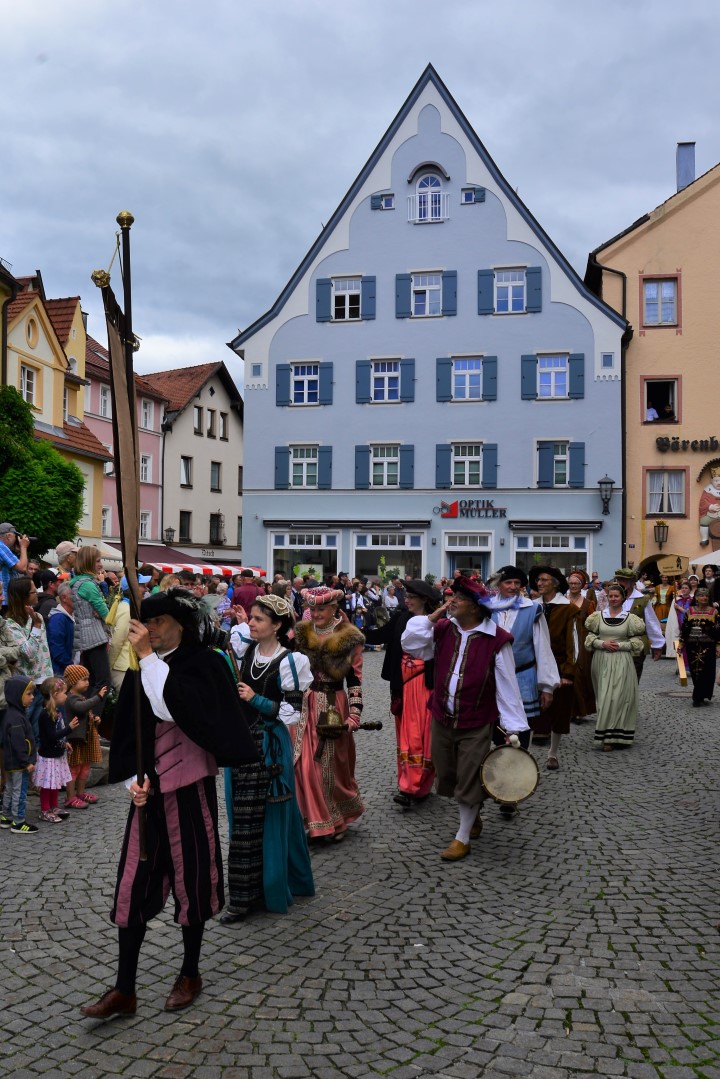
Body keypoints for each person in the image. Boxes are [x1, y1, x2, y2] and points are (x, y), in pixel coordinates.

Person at [80, 588, 257, 1021]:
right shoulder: (143, 668)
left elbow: (174, 709)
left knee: (193, 881)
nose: (151, 630)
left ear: (181, 625)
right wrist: (134, 779)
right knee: (133, 885)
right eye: (147, 622)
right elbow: (133, 730)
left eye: (158, 622)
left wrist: (147, 658)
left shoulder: (204, 664)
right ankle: (124, 988)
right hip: (149, 795)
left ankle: (190, 973)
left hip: (190, 789)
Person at [401, 576, 529, 861]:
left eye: (459, 598)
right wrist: (431, 617)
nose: (452, 601)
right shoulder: (443, 628)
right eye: (452, 596)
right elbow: (410, 644)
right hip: (441, 717)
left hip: (476, 721)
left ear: (474, 607)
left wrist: (513, 728)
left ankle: (462, 838)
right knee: (448, 775)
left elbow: (507, 685)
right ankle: (473, 814)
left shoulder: (497, 639)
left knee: (469, 777)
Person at [223, 594, 314, 924]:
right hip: (241, 743)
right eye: (251, 617)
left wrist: (255, 699)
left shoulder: (291, 661)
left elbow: (291, 713)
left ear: (276, 626)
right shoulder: (245, 650)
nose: (251, 623)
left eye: (258, 619)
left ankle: (254, 893)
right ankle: (250, 888)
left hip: (269, 747)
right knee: (241, 818)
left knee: (269, 818)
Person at [292, 586, 365, 842]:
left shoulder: (349, 637)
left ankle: (337, 820)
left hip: (333, 705)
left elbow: (354, 680)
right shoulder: (302, 633)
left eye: (321, 609)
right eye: (312, 609)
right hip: (304, 704)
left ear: (334, 608)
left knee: (329, 765)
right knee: (302, 763)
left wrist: (354, 713)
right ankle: (316, 821)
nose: (315, 613)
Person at [486, 565, 559, 813]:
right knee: (495, 731)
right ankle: (495, 781)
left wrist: (547, 686)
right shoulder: (486, 609)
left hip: (522, 677)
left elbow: (542, 647)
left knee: (520, 734)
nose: (513, 587)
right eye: (508, 582)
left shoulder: (532, 609)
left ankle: (512, 793)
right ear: (499, 585)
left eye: (518, 583)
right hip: (492, 679)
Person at [365, 579, 442, 807]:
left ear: (424, 600)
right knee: (406, 735)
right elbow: (380, 635)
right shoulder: (401, 617)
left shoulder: (438, 624)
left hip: (426, 685)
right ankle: (408, 784)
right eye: (406, 596)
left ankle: (417, 785)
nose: (406, 600)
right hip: (402, 685)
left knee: (422, 734)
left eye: (411, 597)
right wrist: (350, 632)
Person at [527, 566, 581, 771]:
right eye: (538, 580)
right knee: (532, 710)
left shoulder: (568, 609)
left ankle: (553, 753)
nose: (539, 583)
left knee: (559, 711)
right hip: (533, 664)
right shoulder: (531, 606)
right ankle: (526, 753)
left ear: (555, 584)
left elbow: (573, 643)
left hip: (559, 665)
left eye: (544, 580)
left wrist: (568, 673)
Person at [584, 584, 646, 751]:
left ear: (623, 598)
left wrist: (620, 645)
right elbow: (590, 639)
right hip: (601, 659)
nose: (613, 599)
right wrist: (602, 643)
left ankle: (616, 735)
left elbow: (637, 643)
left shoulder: (630, 618)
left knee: (618, 697)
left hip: (622, 660)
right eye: (610, 596)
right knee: (604, 697)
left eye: (616, 596)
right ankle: (606, 734)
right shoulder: (598, 616)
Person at [4, 576, 54, 743]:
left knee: (41, 735)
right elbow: (29, 654)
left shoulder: (37, 616)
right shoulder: (10, 625)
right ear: (23, 597)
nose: (37, 594)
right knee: (26, 735)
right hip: (26, 687)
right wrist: (36, 626)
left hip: (44, 684)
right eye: (33, 592)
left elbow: (43, 652)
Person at [70, 546, 111, 703]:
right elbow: (106, 614)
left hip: (87, 637)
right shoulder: (87, 584)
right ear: (88, 562)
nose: (101, 564)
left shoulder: (79, 582)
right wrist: (105, 616)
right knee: (103, 682)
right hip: (94, 637)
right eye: (98, 561)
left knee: (92, 681)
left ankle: (86, 714)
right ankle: (93, 715)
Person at [63, 664, 106, 809]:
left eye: (88, 679)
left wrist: (94, 720)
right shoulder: (71, 698)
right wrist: (98, 697)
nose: (88, 682)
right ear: (73, 681)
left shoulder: (81, 697)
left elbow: (86, 714)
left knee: (85, 768)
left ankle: (80, 793)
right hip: (76, 741)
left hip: (85, 740)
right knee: (74, 769)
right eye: (84, 679)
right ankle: (70, 797)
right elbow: (81, 708)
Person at [35, 676, 78, 822]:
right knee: (47, 784)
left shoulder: (56, 711)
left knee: (55, 783)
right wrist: (69, 729)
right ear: (54, 694)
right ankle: (45, 809)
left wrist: (64, 743)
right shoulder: (45, 714)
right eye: (64, 693)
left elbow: (57, 734)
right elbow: (52, 736)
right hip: (48, 756)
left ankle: (54, 806)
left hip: (57, 754)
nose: (66, 695)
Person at [0, 675, 38, 834]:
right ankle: (18, 821)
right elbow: (18, 743)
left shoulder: (12, 714)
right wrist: (26, 762)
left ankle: (6, 817)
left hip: (11, 762)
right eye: (28, 694)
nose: (32, 697)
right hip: (19, 764)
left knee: (10, 789)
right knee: (19, 792)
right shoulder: (16, 717)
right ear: (17, 696)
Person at [613, 567, 665, 681]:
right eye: (619, 579)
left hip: (636, 645)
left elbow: (651, 622)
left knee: (632, 678)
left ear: (632, 582)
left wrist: (657, 644)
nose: (620, 582)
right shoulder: (613, 598)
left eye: (624, 580)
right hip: (617, 644)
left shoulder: (642, 600)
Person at [680, 587, 720, 707]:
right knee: (695, 671)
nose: (704, 598)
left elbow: (718, 630)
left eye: (706, 596)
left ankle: (700, 696)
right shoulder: (689, 611)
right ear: (696, 598)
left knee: (707, 671)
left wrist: (718, 645)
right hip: (692, 645)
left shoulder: (714, 612)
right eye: (701, 596)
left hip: (708, 645)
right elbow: (685, 628)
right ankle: (698, 696)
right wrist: (681, 643)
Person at [566, 570, 597, 721]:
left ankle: (580, 710)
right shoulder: (562, 601)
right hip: (565, 640)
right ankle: (567, 710)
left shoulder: (588, 604)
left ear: (582, 585)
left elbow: (594, 624)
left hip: (582, 640)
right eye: (571, 583)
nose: (573, 586)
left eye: (576, 583)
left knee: (580, 674)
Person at [46, 583, 75, 676]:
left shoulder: (72, 616)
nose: (78, 598)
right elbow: (57, 649)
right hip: (62, 673)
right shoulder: (58, 619)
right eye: (74, 595)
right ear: (64, 598)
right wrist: (72, 667)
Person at [0, 523, 30, 606]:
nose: (17, 539)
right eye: (15, 536)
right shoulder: (1, 547)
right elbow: (22, 568)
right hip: (4, 600)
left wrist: (18, 551)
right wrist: (23, 547)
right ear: (8, 536)